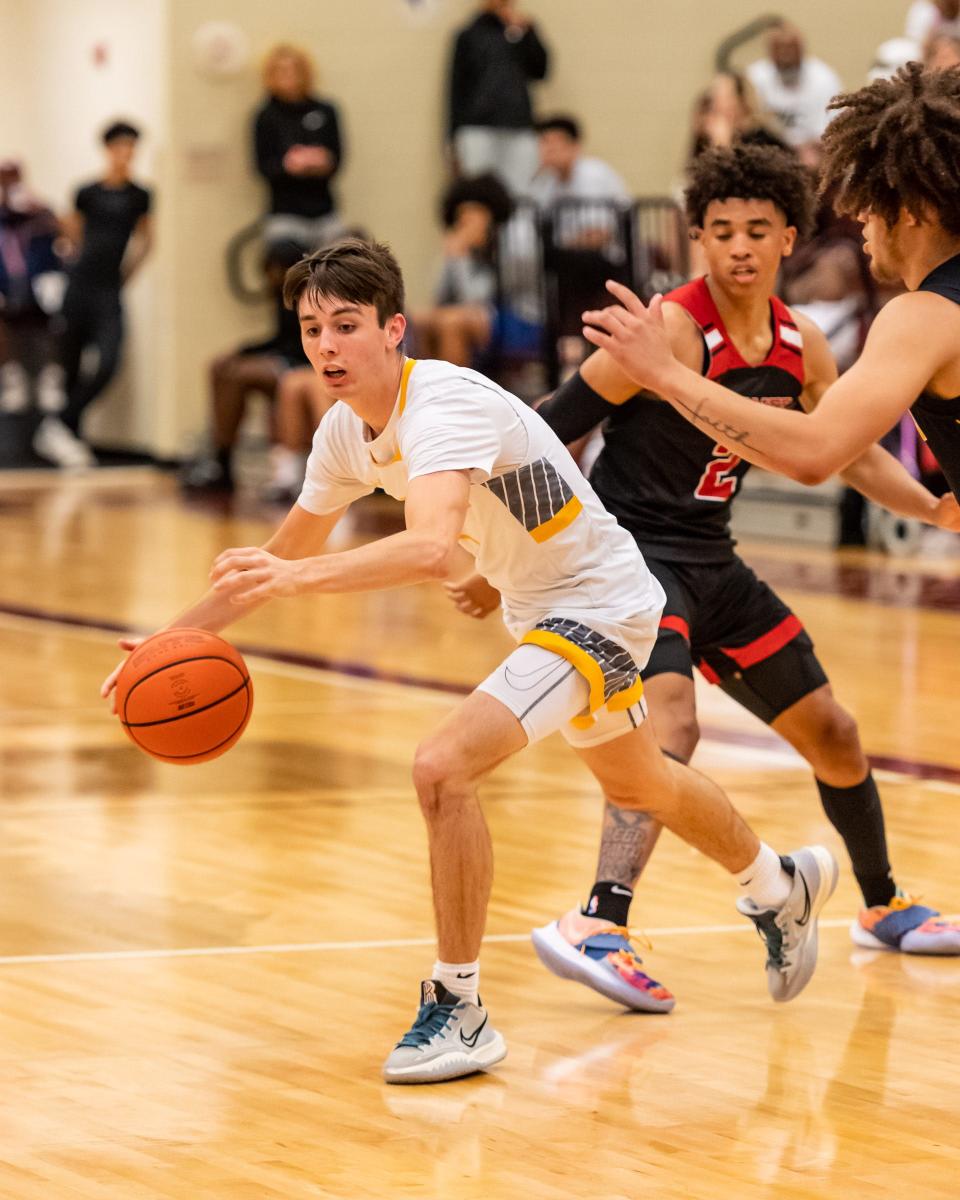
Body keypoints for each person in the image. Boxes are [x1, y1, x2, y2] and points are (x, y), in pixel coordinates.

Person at [102, 239, 837, 1084]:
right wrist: (165, 645)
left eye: (346, 326)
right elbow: (268, 567)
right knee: (643, 785)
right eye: (311, 330)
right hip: (544, 609)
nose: (327, 347)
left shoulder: (441, 404)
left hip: (599, 603)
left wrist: (295, 576)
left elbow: (427, 547)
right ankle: (778, 885)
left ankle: (461, 1010)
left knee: (442, 767)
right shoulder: (346, 433)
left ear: (394, 330)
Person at [449, 144, 960, 1011]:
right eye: (721, 232)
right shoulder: (669, 330)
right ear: (698, 241)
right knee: (672, 723)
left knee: (832, 729)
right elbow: (547, 432)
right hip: (630, 558)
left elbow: (845, 449)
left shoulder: (800, 344)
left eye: (758, 230)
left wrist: (928, 503)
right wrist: (501, 553)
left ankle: (882, 904)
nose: (740, 248)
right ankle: (600, 922)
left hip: (711, 558)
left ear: (790, 238)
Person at [581, 65, 960, 516]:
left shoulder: (923, 315)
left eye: (875, 196)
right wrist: (931, 509)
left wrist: (665, 373)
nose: (859, 213)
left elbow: (815, 453)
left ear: (914, 209)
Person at [57, 120, 153, 466]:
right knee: (71, 361)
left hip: (109, 288)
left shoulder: (140, 195)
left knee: (109, 360)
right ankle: (70, 438)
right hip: (79, 284)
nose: (125, 154)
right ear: (108, 149)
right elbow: (71, 229)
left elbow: (146, 239)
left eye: (131, 147)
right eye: (120, 146)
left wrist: (127, 273)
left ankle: (60, 421)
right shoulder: (88, 192)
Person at [181, 240, 309, 494]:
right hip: (285, 358)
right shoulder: (281, 294)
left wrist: (264, 357)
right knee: (221, 367)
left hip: (302, 364)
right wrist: (241, 351)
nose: (270, 276)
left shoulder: (308, 294)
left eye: (274, 269)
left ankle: (223, 459)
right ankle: (219, 455)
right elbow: (280, 337)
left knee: (241, 374)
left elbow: (306, 340)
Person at [409, 173, 514, 368]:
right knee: (417, 318)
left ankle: (454, 394)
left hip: (510, 315)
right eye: (462, 218)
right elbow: (439, 297)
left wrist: (461, 257)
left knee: (451, 322)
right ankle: (426, 389)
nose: (466, 224)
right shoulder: (462, 248)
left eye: (474, 216)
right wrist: (450, 257)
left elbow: (476, 299)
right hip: (470, 313)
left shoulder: (509, 246)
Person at [448, 0, 549, 195]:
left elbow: (540, 70)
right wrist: (453, 136)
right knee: (480, 193)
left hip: (518, 124)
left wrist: (527, 33)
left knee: (523, 192)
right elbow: (457, 87)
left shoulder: (520, 30)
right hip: (477, 126)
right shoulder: (469, 34)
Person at [254, 44, 344, 251]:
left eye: (294, 69)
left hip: (324, 210)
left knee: (343, 259)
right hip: (285, 213)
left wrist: (320, 161)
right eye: (281, 70)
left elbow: (337, 159)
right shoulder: (266, 116)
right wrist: (288, 164)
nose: (288, 76)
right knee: (285, 256)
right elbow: (262, 166)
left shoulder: (325, 111)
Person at [746, 22, 841, 152]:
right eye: (780, 48)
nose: (786, 56)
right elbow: (750, 123)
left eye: (791, 48)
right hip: (769, 148)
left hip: (814, 150)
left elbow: (832, 127)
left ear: (802, 49)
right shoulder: (754, 77)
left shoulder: (824, 78)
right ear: (769, 51)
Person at [527, 115, 629, 213]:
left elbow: (597, 229)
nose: (548, 150)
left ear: (575, 147)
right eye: (543, 142)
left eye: (554, 143)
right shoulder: (549, 180)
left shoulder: (592, 174)